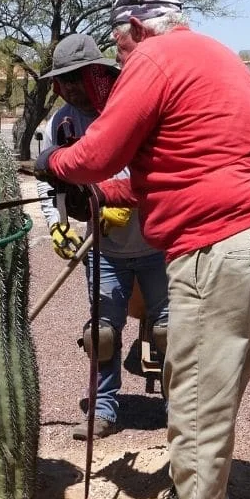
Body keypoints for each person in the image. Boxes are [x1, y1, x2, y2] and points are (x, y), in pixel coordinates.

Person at [37, 0, 250, 499]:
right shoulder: (219, 57)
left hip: (221, 244)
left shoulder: (154, 59)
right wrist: (103, 194)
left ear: (137, 25)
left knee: (195, 396)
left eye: (117, 38)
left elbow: (98, 153)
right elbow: (182, 167)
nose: (116, 52)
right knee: (208, 386)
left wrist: (54, 166)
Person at [35, 33, 169, 441]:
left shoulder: (130, 104)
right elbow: (51, 179)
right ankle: (103, 410)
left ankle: (178, 412)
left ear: (97, 73)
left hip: (156, 243)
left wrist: (123, 197)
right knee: (103, 333)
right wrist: (56, 222)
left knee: (169, 331)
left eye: (78, 76)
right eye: (64, 79)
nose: (72, 86)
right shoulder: (62, 121)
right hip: (104, 248)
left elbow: (155, 166)